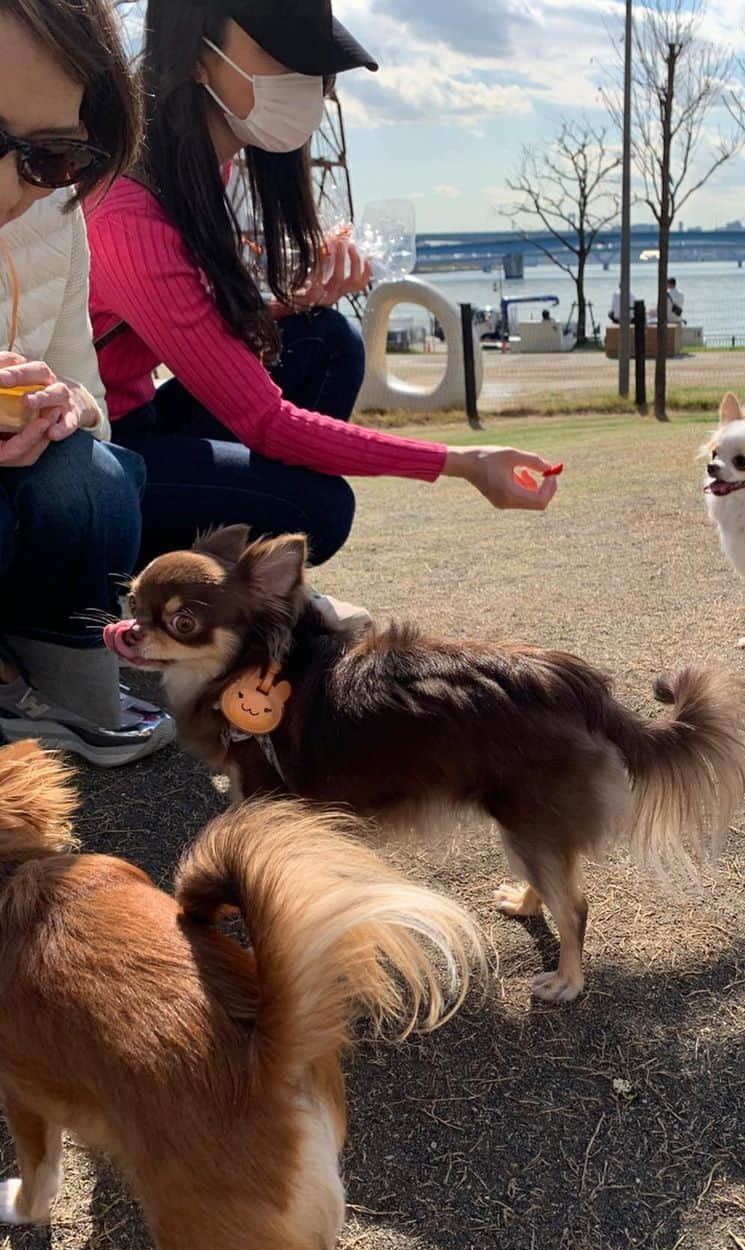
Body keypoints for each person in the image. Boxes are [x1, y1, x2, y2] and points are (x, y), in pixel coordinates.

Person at [88, 0, 558, 568]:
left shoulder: (203, 169)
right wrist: (464, 461)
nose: (305, 83)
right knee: (318, 510)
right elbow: (262, 420)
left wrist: (290, 304)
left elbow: (196, 324)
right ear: (195, 57)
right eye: (278, 56)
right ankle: (184, 594)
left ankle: (250, 596)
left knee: (324, 339)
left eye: (314, 66)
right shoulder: (126, 213)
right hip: (101, 456)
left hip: (143, 423)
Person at [0, 0, 174, 765]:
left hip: (32, 500)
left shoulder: (60, 217)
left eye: (50, 154)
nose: (13, 188)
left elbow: (91, 392)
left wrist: (70, 403)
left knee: (96, 472)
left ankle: (64, 685)